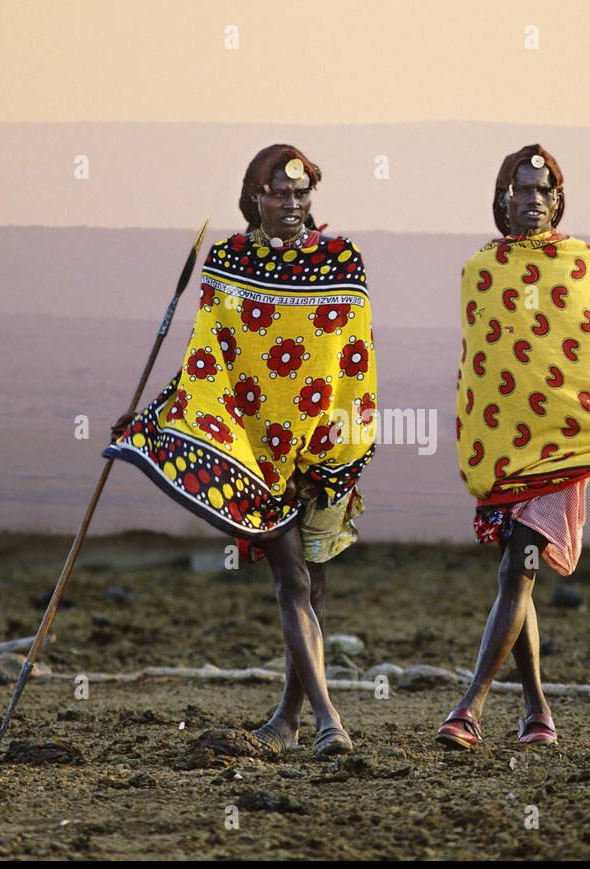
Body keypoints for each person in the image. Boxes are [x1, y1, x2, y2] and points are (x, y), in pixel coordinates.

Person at [107, 145, 377, 757]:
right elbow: (207, 360)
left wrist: (343, 438)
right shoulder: (228, 261)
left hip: (322, 448)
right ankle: (331, 723)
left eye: (301, 194)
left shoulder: (342, 260)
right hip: (249, 452)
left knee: (314, 586)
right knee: (291, 583)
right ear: (255, 197)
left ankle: (286, 717)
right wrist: (154, 415)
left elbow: (355, 358)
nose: (291, 204)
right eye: (278, 194)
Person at [437, 144, 590, 749]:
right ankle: (539, 713)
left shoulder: (588, 266)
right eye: (521, 190)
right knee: (516, 575)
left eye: (543, 192)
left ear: (558, 200)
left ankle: (471, 709)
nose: (533, 200)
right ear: (502, 199)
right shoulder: (481, 271)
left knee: (519, 568)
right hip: (509, 453)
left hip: (569, 450)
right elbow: (481, 367)